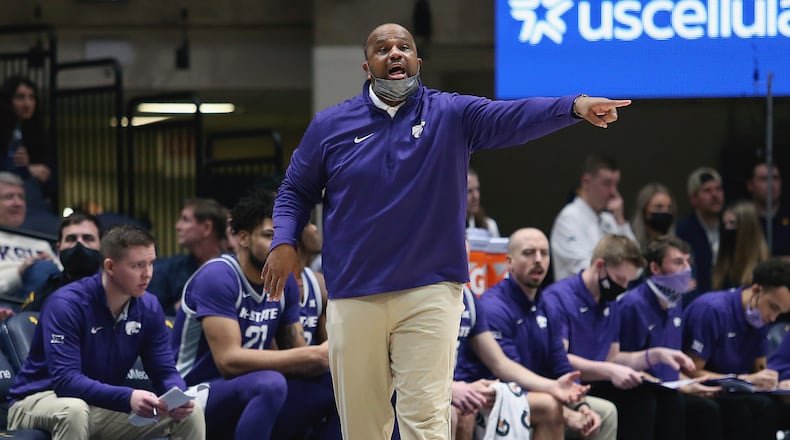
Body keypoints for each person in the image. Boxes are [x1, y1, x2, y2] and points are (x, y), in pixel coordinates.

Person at [261, 22, 631, 440]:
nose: (395, 53)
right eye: (383, 49)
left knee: (427, 422)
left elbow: (512, 116)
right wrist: (284, 240)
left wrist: (573, 105)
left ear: (419, 61)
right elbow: (294, 189)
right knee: (363, 426)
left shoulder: (451, 114)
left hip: (430, 290)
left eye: (404, 46)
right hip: (354, 292)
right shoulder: (330, 125)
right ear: (368, 66)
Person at [6, 225, 205, 439]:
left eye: (150, 263)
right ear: (110, 266)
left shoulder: (149, 307)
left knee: (191, 413)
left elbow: (164, 371)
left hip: (96, 406)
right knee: (73, 410)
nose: (148, 274)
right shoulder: (66, 303)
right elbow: (66, 381)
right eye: (138, 265)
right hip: (36, 401)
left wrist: (177, 397)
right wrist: (127, 396)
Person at [171, 189, 339, 440]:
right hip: (191, 394)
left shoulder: (285, 283)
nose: (279, 245)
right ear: (243, 238)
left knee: (344, 386)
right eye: (269, 235)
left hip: (252, 391)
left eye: (285, 237)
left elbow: (300, 355)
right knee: (270, 383)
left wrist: (331, 358)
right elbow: (228, 361)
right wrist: (312, 354)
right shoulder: (218, 276)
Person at [465, 228, 618, 440]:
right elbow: (507, 374)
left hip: (540, 392)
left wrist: (580, 405)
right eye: (529, 253)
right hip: (499, 396)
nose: (538, 260)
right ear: (509, 262)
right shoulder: (494, 307)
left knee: (604, 412)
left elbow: (560, 364)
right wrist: (567, 413)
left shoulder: (547, 304)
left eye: (544, 253)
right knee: (551, 407)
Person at [541, 234, 695, 440]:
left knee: (667, 398)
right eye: (620, 279)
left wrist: (655, 355)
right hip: (567, 384)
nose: (623, 287)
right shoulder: (559, 298)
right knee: (642, 401)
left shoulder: (610, 302)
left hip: (597, 381)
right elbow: (561, 358)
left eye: (628, 282)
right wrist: (610, 371)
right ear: (600, 265)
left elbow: (613, 357)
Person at [452, 284, 591, 440]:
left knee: (551, 406)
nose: (538, 260)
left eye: (544, 256)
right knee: (457, 413)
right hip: (440, 390)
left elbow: (501, 363)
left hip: (472, 388)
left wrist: (554, 386)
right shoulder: (493, 304)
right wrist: (451, 389)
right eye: (528, 256)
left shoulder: (468, 298)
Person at [617, 236, 722, 440]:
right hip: (638, 388)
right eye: (678, 262)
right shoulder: (633, 305)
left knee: (709, 408)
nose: (686, 268)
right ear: (655, 268)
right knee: (670, 403)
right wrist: (672, 386)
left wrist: (688, 384)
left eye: (687, 261)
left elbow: (670, 366)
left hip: (666, 387)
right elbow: (624, 362)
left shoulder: (675, 302)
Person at [682, 258, 790, 440]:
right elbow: (690, 370)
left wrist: (777, 383)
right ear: (756, 290)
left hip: (735, 391)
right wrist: (745, 379)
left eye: (780, 313)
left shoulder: (759, 320)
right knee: (744, 411)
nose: (773, 318)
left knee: (771, 406)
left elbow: (760, 370)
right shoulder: (712, 310)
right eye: (773, 307)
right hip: (703, 390)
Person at [550, 154, 636, 281]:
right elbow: (585, 270)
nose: (613, 192)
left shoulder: (610, 220)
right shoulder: (568, 219)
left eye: (616, 184)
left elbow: (637, 266)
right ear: (586, 181)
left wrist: (620, 221)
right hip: (578, 299)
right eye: (607, 183)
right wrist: (623, 269)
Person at [148, 197, 227, 315]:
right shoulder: (168, 269)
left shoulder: (234, 269)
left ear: (206, 228)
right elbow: (151, 316)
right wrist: (178, 309)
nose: (177, 226)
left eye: (185, 220)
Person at [21, 211, 103, 311]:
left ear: (102, 247)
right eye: (71, 239)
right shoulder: (45, 293)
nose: (79, 244)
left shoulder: (117, 290)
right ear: (58, 249)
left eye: (88, 238)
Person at [0, 172, 60, 308]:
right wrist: (19, 272)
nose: (17, 203)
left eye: (21, 197)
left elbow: (62, 280)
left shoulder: (40, 243)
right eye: (9, 197)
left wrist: (52, 266)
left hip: (38, 303)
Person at [0, 76, 54, 214]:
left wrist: (32, 169)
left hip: (34, 201)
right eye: (20, 97)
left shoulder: (38, 132)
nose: (27, 103)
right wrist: (28, 169)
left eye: (31, 97)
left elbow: (49, 177)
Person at [675, 166, 725, 303]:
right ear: (693, 199)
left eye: (718, 189)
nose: (715, 195)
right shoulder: (682, 230)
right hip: (698, 300)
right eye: (707, 191)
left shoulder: (729, 227)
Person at [711, 200, 769, 290]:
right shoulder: (724, 263)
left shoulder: (763, 270)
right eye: (724, 224)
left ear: (747, 228)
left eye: (732, 223)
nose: (727, 228)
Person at [746, 160, 790, 258]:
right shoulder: (744, 221)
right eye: (764, 179)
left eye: (775, 178)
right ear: (750, 185)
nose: (771, 184)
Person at [298, 223, 328, 345]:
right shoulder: (277, 283)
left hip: (315, 361)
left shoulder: (318, 281)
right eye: (307, 224)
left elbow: (329, 347)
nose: (315, 228)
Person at [630, 182, 676, 251]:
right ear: (644, 210)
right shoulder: (632, 242)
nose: (665, 212)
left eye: (669, 208)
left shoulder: (677, 248)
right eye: (659, 207)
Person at [466, 168, 499, 239]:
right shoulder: (449, 228)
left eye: (477, 189)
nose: (476, 196)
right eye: (469, 191)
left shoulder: (489, 225)